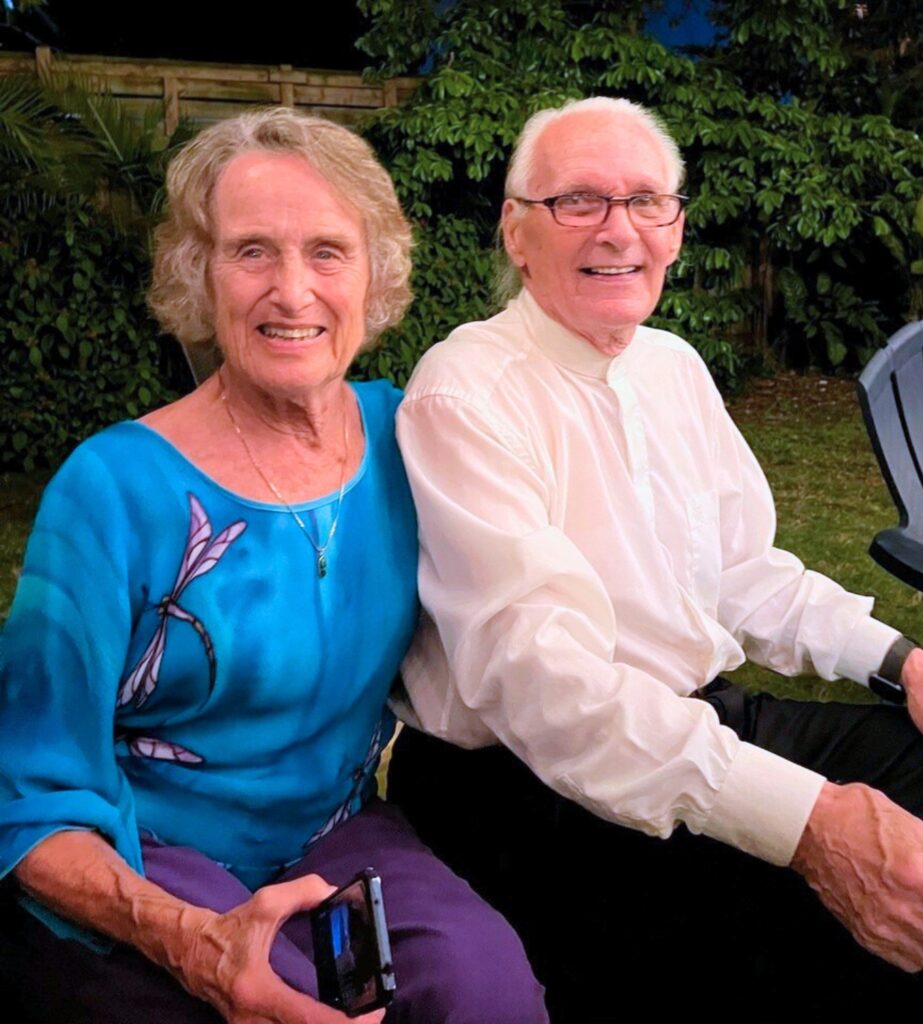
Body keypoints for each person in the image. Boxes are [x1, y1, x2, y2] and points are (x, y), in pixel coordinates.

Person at [388, 96, 923, 1024]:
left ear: (677, 228)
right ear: (517, 234)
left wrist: (909, 665)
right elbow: (544, 690)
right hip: (531, 789)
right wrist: (808, 824)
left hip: (694, 718)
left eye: (647, 200)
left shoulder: (671, 366)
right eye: (578, 202)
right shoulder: (466, 393)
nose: (619, 230)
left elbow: (743, 570)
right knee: (823, 901)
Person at [0, 107, 547, 1024]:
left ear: (373, 275)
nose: (292, 291)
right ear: (197, 275)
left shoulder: (415, 439)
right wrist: (188, 941)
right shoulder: (110, 491)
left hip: (336, 836)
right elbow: (26, 792)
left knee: (486, 989)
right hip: (143, 850)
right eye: (252, 251)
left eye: (328, 252)